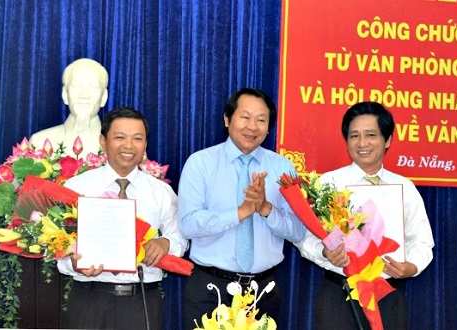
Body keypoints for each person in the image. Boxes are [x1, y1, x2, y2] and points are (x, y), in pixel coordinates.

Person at [295, 101, 434, 330]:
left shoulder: (404, 187)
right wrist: (325, 252)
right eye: (354, 136)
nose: (362, 143)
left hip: (388, 294)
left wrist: (411, 267)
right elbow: (303, 237)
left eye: (371, 135)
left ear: (387, 140)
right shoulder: (328, 184)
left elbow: (422, 242)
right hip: (339, 296)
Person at [178, 88, 306, 329]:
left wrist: (266, 208)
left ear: (269, 127)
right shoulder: (200, 163)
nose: (252, 126)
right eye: (245, 117)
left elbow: (298, 231)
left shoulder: (283, 168)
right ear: (227, 120)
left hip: (263, 292)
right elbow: (188, 224)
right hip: (210, 289)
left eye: (261, 120)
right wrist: (241, 212)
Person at [57, 107, 188, 329]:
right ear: (102, 141)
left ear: (145, 145)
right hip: (89, 299)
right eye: (120, 137)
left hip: (142, 301)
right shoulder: (76, 188)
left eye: (137, 139)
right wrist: (74, 264)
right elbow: (58, 246)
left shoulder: (161, 192)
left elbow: (181, 237)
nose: (129, 146)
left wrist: (166, 243)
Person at [29, 58, 109, 158]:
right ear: (65, 94)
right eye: (76, 86)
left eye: (93, 87)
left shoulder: (116, 146)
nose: (84, 95)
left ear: (104, 97)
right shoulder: (39, 142)